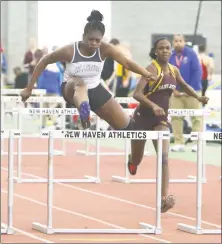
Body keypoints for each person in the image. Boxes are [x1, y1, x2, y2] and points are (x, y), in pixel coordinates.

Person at [20, 10, 157, 131]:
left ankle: (132, 159)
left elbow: (127, 63)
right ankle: (84, 113)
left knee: (129, 127)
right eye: (91, 39)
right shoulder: (69, 50)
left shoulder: (105, 48)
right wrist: (29, 88)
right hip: (71, 88)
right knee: (80, 83)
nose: (94, 43)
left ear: (102, 39)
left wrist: (145, 73)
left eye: (98, 40)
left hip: (95, 88)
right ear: (83, 36)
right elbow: (43, 61)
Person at [127, 38, 209, 213]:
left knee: (164, 158)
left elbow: (185, 86)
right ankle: (132, 161)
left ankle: (163, 199)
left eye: (167, 48)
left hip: (161, 120)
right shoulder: (151, 69)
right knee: (137, 158)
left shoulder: (174, 70)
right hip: (143, 118)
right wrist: (153, 105)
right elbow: (137, 94)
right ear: (155, 51)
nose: (165, 51)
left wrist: (198, 97)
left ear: (171, 51)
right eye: (161, 48)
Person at [169, 34, 203, 152]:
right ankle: (179, 142)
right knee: (176, 117)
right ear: (173, 42)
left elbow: (197, 72)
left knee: (196, 117)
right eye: (175, 41)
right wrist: (173, 89)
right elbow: (167, 73)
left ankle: (196, 143)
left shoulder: (191, 54)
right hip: (176, 93)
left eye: (180, 41)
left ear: (184, 42)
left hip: (192, 91)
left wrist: (189, 89)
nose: (178, 43)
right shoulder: (170, 55)